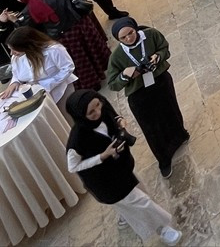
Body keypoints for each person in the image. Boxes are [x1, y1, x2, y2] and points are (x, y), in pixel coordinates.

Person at [64, 90, 182, 245]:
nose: (98, 112)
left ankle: (124, 216)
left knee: (139, 192)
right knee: (142, 202)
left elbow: (113, 116)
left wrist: (119, 121)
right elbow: (73, 167)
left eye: (98, 105)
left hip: (121, 167)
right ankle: (162, 229)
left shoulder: (103, 108)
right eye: (91, 112)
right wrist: (102, 156)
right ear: (80, 115)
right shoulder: (77, 140)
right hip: (105, 181)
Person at [106, 17, 190, 179]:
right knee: (151, 127)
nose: (129, 38)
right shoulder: (116, 56)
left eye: (130, 33)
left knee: (171, 111)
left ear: (135, 28)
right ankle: (163, 159)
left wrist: (157, 57)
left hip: (160, 82)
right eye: (123, 38)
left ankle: (180, 135)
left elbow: (165, 48)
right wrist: (126, 75)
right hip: (139, 94)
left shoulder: (150, 34)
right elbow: (113, 84)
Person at [12, 0, 111, 91]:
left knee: (80, 62)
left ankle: (92, 83)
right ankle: (102, 68)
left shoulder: (28, 10)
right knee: (91, 50)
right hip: (81, 26)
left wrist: (15, 22)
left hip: (64, 38)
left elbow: (27, 30)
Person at [3, 27, 77, 109]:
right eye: (10, 49)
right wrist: (15, 82)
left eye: (15, 49)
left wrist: (48, 84)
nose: (11, 53)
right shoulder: (17, 57)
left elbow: (68, 68)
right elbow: (16, 73)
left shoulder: (54, 50)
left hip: (60, 91)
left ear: (27, 46)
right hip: (37, 95)